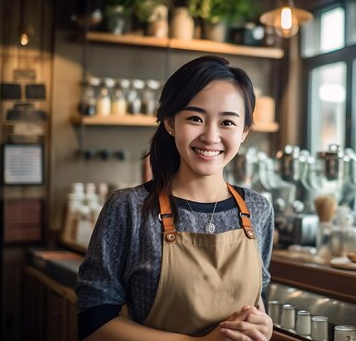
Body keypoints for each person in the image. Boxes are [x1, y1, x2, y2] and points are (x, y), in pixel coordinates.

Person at [75, 56, 274, 341]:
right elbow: (93, 324)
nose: (210, 136)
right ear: (170, 122)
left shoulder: (258, 209)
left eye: (227, 122)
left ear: (244, 132)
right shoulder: (129, 209)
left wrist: (263, 323)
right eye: (195, 118)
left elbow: (257, 300)